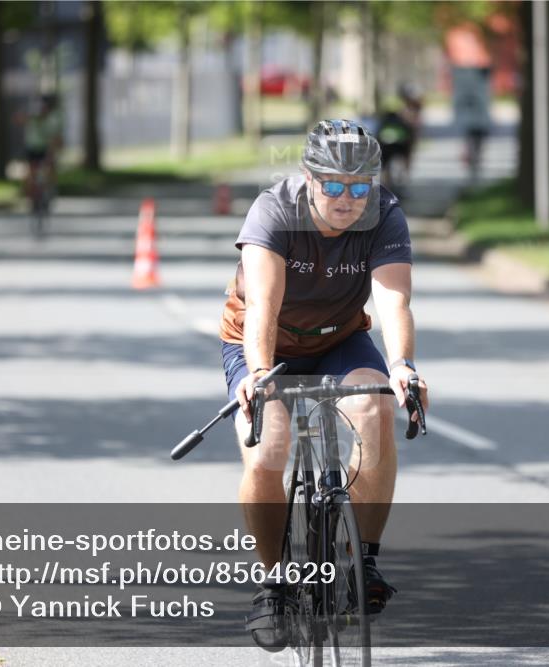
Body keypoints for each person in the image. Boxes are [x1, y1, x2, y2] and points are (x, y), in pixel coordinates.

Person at [219, 119, 429, 651]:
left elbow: (393, 301)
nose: (347, 198)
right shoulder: (274, 213)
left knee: (375, 409)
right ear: (309, 178)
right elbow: (263, 306)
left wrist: (402, 364)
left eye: (360, 186)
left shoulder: (384, 214)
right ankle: (273, 586)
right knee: (268, 447)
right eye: (333, 184)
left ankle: (366, 561)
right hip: (267, 345)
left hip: (339, 339)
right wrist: (261, 377)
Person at [376, 83, 424, 193]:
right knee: (405, 157)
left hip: (387, 139)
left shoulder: (395, 104)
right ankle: (401, 180)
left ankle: (388, 184)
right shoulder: (411, 106)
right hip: (402, 140)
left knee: (386, 162)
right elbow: (414, 125)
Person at [22, 94, 63, 206]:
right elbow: (19, 118)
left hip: (44, 148)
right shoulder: (32, 119)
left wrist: (56, 148)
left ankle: (49, 189)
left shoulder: (51, 120)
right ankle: (30, 195)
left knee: (50, 168)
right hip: (32, 148)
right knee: (31, 172)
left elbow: (56, 137)